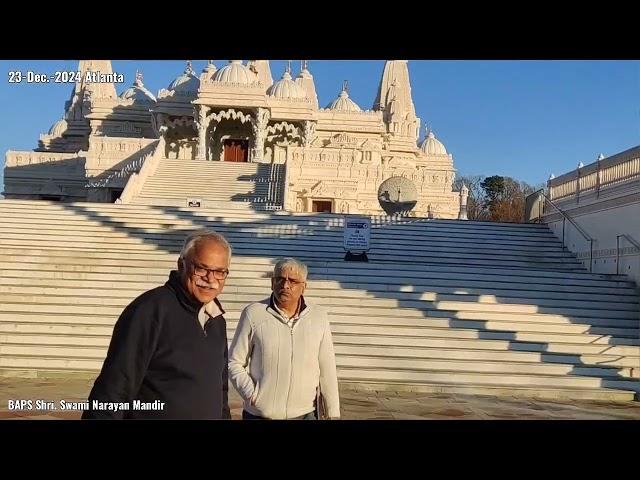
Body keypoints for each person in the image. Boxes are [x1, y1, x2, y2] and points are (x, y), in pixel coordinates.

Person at [82, 229, 232, 419]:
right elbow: (115, 388)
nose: (210, 279)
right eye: (201, 268)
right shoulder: (150, 310)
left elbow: (221, 390)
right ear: (181, 265)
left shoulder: (216, 319)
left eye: (219, 272)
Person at [228, 258, 340, 420]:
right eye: (280, 279)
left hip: (305, 413)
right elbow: (234, 362)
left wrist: (333, 413)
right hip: (260, 414)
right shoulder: (254, 313)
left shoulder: (318, 317)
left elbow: (327, 368)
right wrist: (252, 394)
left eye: (293, 281)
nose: (285, 285)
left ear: (304, 287)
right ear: (272, 282)